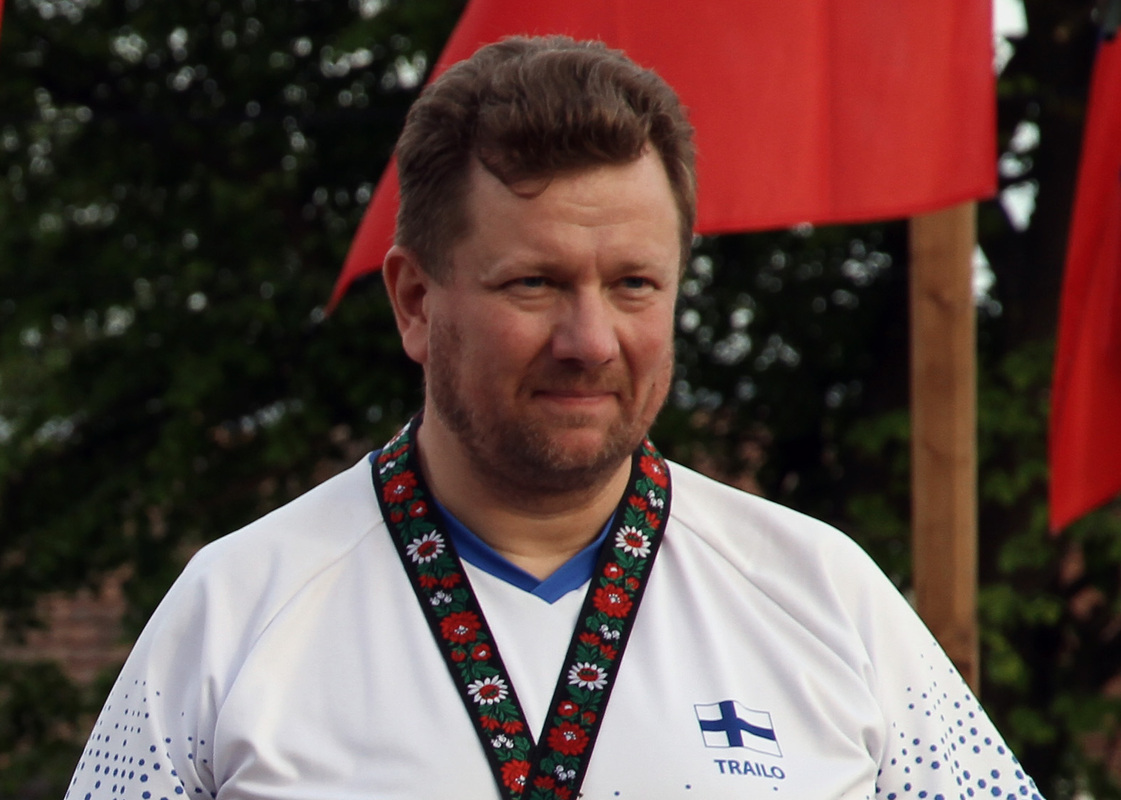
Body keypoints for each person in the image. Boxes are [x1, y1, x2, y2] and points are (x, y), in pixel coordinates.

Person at [64, 36, 1044, 800]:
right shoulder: (234, 612)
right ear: (414, 301)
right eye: (533, 283)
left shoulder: (824, 599)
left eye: (632, 284)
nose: (589, 340)